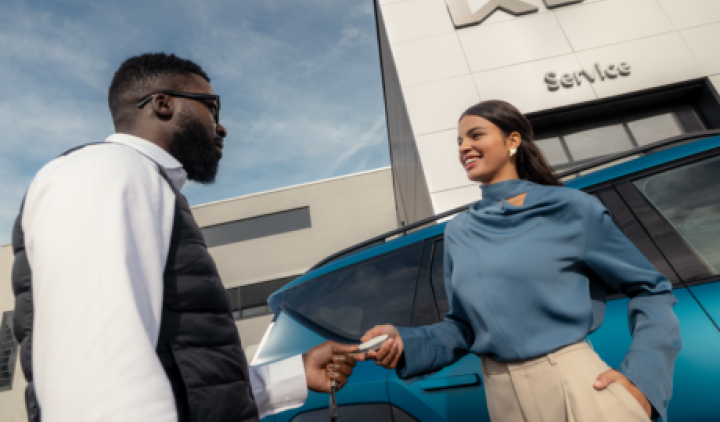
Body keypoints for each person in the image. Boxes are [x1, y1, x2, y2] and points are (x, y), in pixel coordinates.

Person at [11, 53, 362, 422]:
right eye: (212, 107)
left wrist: (294, 374)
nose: (221, 127)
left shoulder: (140, 179)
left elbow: (191, 384)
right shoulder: (104, 170)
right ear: (163, 104)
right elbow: (100, 384)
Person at [362, 100, 681, 422]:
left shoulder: (571, 208)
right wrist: (405, 341)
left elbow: (651, 289)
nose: (464, 148)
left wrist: (644, 378)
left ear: (512, 140)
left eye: (475, 135)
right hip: (502, 403)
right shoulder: (458, 232)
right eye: (459, 141)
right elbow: (464, 327)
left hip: (578, 388)